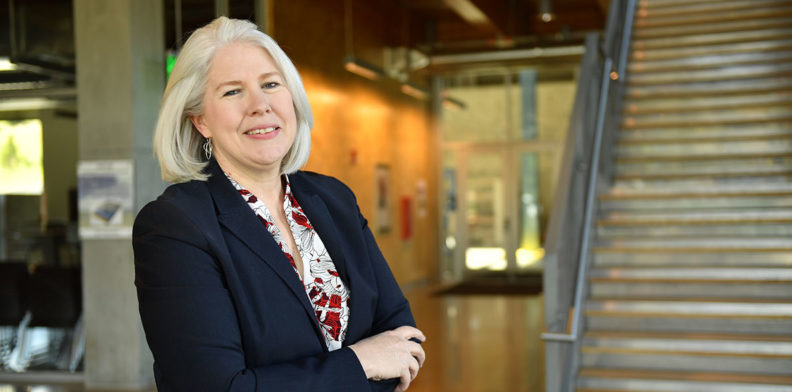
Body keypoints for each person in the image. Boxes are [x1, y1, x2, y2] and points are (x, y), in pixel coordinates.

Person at [132, 16, 425, 392]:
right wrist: (362, 362)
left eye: (271, 84)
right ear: (200, 120)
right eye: (232, 92)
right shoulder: (174, 226)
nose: (260, 105)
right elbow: (217, 387)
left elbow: (403, 341)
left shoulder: (334, 199)